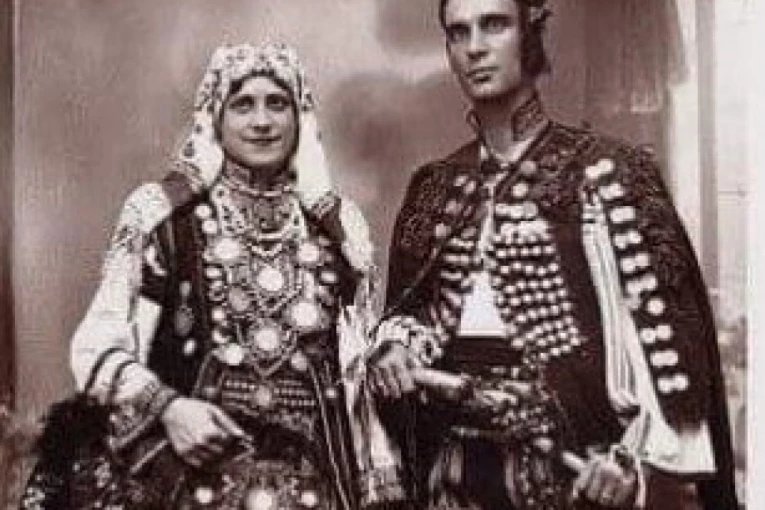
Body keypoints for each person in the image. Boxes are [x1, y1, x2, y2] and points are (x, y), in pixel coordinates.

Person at [368, 0, 739, 508]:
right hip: (452, 473)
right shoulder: (433, 187)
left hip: (573, 469)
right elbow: (405, 312)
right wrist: (394, 346)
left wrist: (635, 462)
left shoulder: (611, 171)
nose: (475, 47)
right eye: (458, 32)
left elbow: (673, 358)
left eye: (494, 25)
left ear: (530, 31)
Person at [20, 42, 375, 510]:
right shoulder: (164, 218)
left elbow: (358, 372)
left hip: (315, 481)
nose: (262, 121)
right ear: (215, 118)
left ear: (300, 116)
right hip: (189, 475)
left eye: (277, 104)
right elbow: (98, 346)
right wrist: (170, 408)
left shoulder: (339, 229)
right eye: (243, 105)